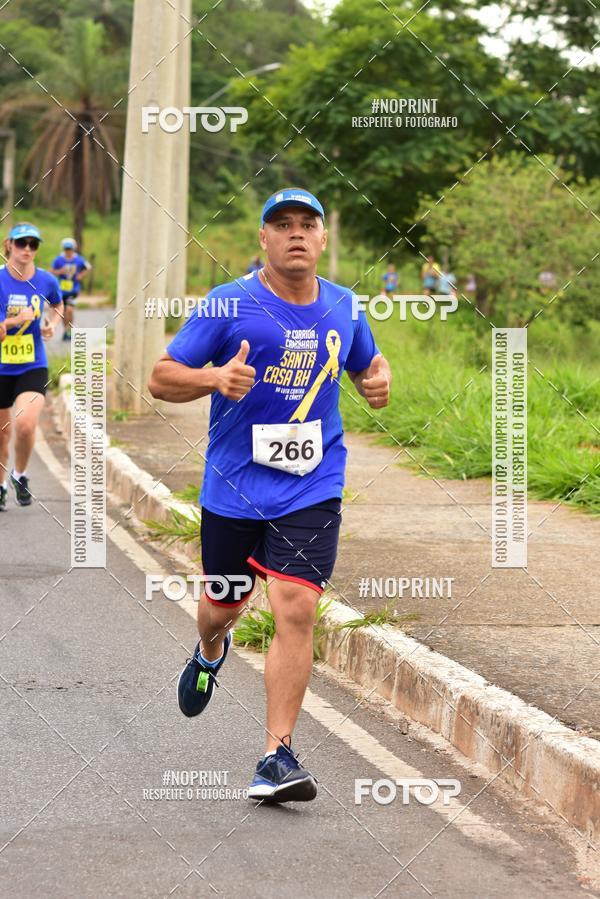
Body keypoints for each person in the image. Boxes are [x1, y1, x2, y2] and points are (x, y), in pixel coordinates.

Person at [149, 188, 391, 803]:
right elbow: (160, 377)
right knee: (221, 606)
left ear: (323, 237)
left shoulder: (344, 304)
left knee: (295, 607)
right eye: (281, 224)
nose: (296, 234)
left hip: (312, 484)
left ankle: (276, 755)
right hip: (233, 489)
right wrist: (212, 377)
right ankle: (209, 650)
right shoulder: (228, 303)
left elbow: (367, 363)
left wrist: (376, 377)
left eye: (307, 224)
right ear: (263, 238)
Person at [0, 222, 63, 509]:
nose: (27, 249)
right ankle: (1, 485)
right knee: (2, 434)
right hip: (1, 366)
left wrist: (51, 323)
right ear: (9, 245)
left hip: (32, 365)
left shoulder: (46, 280)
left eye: (33, 244)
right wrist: (14, 321)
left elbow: (57, 303)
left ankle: (20, 475)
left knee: (25, 425)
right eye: (21, 243)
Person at [50, 238, 92, 340]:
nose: (68, 251)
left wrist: (81, 275)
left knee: (69, 310)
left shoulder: (79, 259)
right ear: (63, 249)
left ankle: (69, 329)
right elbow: (51, 271)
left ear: (74, 249)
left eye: (70, 249)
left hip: (73, 289)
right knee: (63, 311)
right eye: (66, 249)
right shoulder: (58, 259)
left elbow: (88, 267)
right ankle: (67, 330)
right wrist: (60, 271)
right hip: (62, 289)